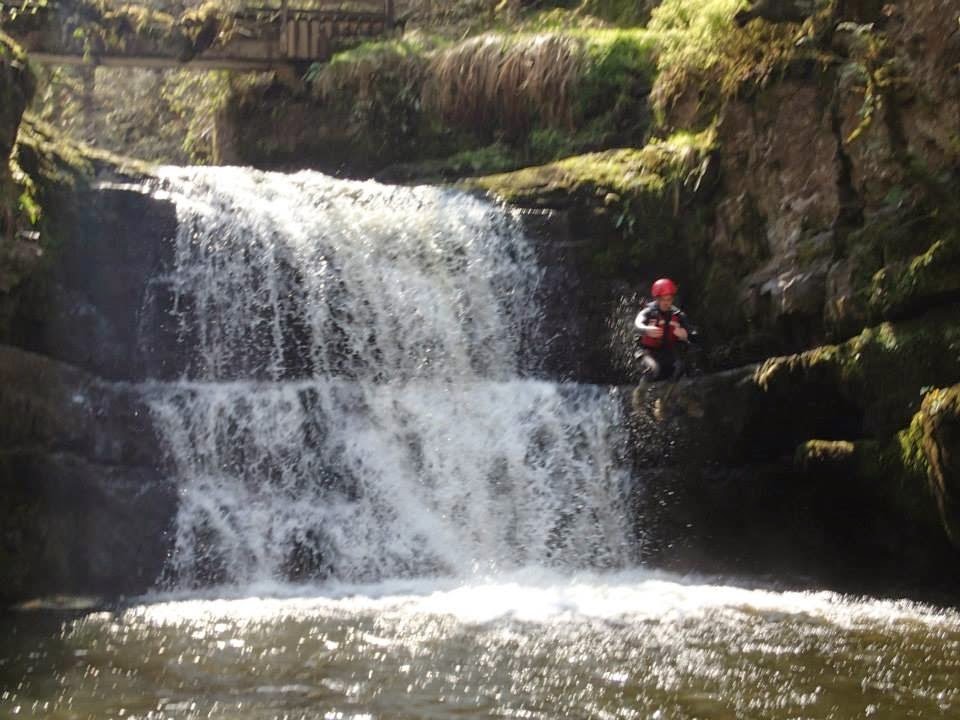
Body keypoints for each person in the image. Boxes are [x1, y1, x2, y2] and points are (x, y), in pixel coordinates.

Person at [633, 277, 693, 382]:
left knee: (680, 367)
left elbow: (693, 333)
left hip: (667, 353)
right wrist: (646, 329)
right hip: (647, 352)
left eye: (669, 299)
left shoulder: (678, 315)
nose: (666, 303)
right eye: (662, 300)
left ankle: (669, 394)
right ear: (657, 299)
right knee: (653, 369)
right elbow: (638, 323)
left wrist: (686, 335)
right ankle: (640, 393)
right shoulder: (648, 312)